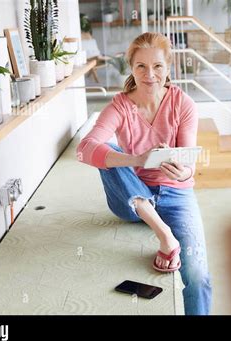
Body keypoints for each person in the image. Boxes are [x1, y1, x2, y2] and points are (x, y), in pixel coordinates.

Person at [76, 32, 212, 315]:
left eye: (158, 66)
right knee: (109, 153)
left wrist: (181, 172)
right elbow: (84, 149)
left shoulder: (183, 104)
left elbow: (189, 165)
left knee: (197, 274)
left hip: (177, 195)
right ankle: (164, 234)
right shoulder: (121, 106)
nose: (150, 75)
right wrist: (137, 159)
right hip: (132, 200)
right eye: (141, 66)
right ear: (132, 68)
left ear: (168, 68)